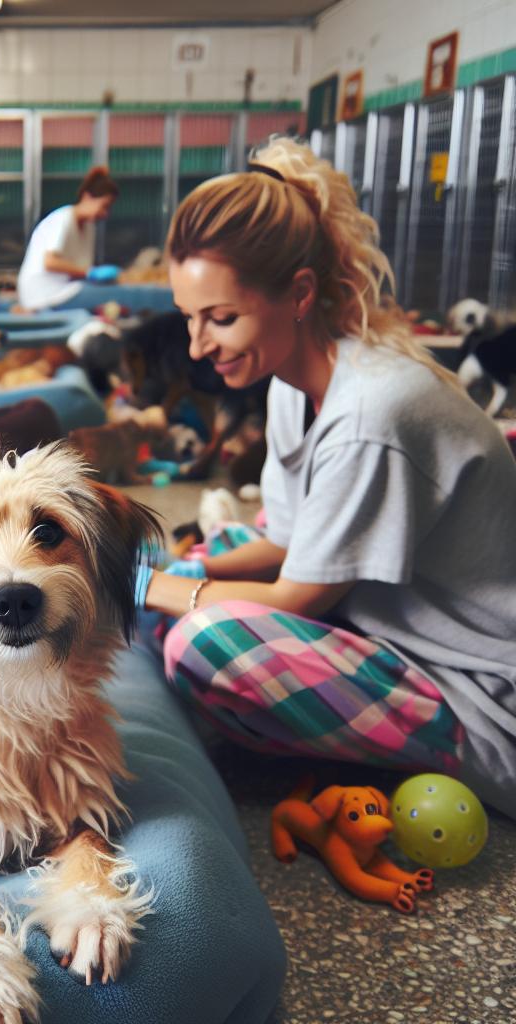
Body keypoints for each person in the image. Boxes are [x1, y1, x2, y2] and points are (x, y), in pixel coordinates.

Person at [135, 137, 516, 819]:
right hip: (388, 635)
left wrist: (153, 588)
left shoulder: (372, 409)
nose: (197, 347)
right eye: (190, 318)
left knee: (202, 637)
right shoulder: (291, 384)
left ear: (300, 294)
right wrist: (179, 569)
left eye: (221, 319)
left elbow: (298, 597)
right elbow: (285, 537)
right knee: (201, 569)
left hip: (481, 695)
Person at [16, 165, 122, 311]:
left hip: (65, 288)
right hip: (41, 295)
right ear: (87, 197)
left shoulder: (89, 227)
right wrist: (90, 272)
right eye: (104, 206)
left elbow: (79, 270)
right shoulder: (63, 218)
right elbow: (50, 262)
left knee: (109, 295)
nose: (105, 214)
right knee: (117, 296)